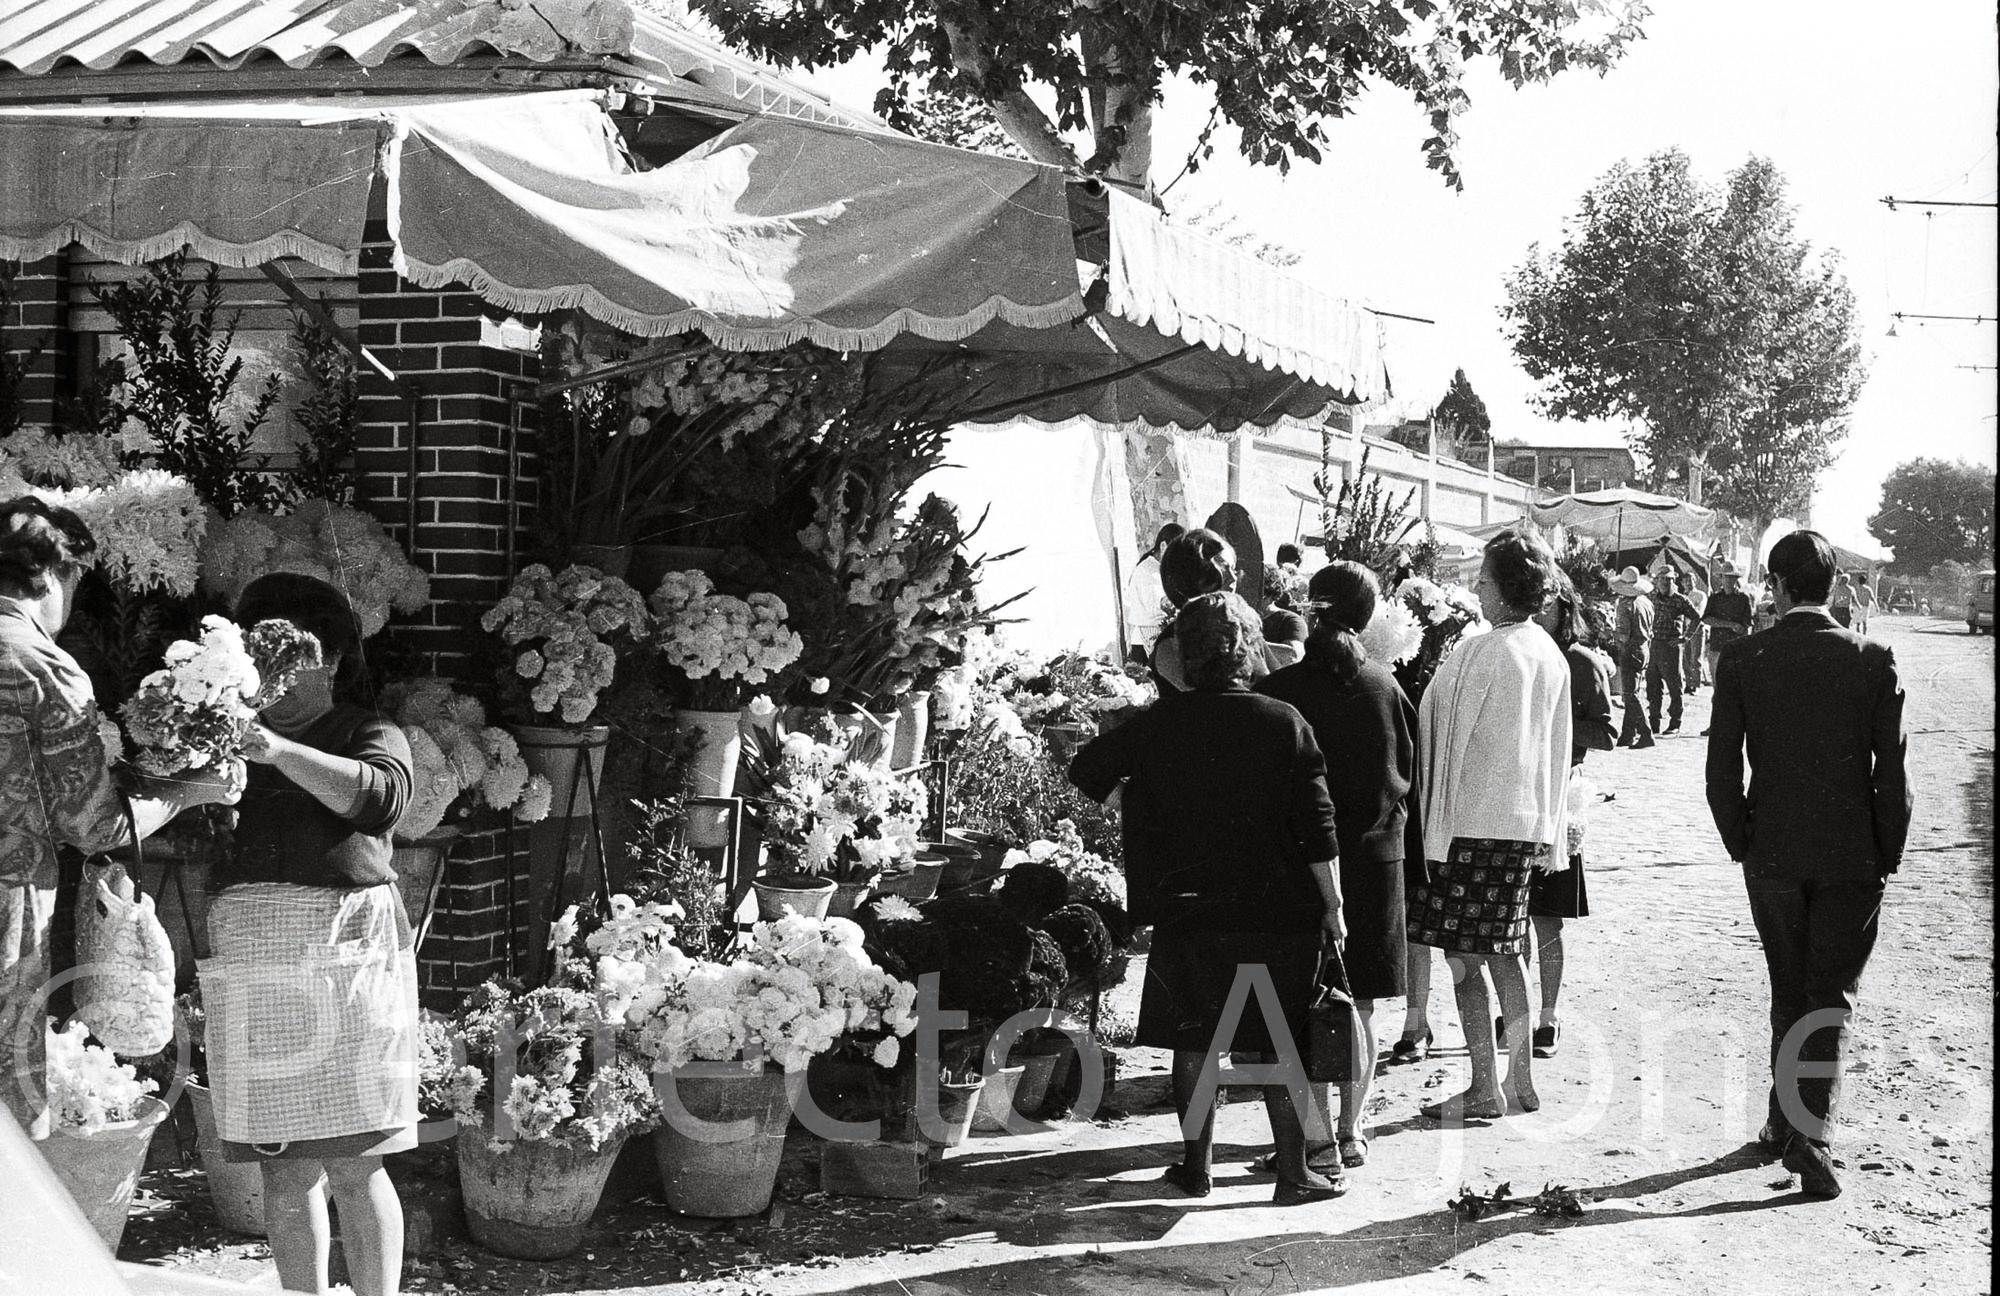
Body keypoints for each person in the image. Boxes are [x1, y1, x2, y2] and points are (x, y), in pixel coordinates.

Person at [1069, 592, 1348, 1205]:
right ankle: (1295, 1174)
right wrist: (1333, 905)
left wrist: (1137, 805)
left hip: (1189, 909)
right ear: (1249, 651)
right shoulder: (1284, 721)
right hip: (1278, 911)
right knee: (1282, 1039)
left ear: (1187, 658)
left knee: (1195, 1037)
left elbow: (1086, 769)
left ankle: (1196, 1168)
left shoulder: (1157, 724)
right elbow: (1318, 827)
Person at [0, 498, 242, 1139]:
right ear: (50, 575)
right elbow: (94, 825)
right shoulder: (40, 664)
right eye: (74, 582)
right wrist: (191, 789)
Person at [204, 573, 415, 1296]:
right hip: (255, 959)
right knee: (284, 1165)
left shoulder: (366, 730)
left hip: (346, 955)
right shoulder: (221, 740)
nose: (279, 677)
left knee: (359, 1162)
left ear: (331, 661)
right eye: (263, 661)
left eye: (298, 657)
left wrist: (275, 750)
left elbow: (382, 800)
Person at [1705, 530, 1910, 1199]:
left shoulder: (1743, 659)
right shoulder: (1875, 659)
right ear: (1833, 588)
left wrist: (1743, 842)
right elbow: (1893, 778)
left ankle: (1786, 1123)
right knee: (1830, 996)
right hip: (1853, 857)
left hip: (1774, 856)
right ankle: (1810, 1135)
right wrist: (1887, 852)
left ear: (1777, 586)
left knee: (1789, 987)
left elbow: (1720, 774)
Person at [1259, 561, 1420, 1169]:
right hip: (1379, 859)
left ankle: (1319, 1139)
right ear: (1370, 615)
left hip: (1302, 866)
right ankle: (1351, 1132)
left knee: (1307, 1004)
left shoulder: (1280, 693)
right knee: (1362, 1004)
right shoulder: (1388, 687)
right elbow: (1410, 777)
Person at [1408, 530, 1572, 1121]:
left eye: (1484, 578)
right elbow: (1558, 749)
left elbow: (1431, 727)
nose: (1476, 587)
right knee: (1506, 952)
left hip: (1468, 827)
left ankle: (1485, 1085)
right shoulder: (1549, 653)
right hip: (1522, 826)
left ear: (1506, 589)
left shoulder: (1481, 650)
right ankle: (1520, 1079)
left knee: (1464, 958)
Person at [1521, 579, 1616, 1057]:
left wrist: (1551, 724)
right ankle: (1515, 1012)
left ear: (1564, 607)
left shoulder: (1580, 660)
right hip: (1514, 794)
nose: (1539, 611)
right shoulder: (1516, 649)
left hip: (1559, 798)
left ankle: (1548, 1017)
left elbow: (1608, 732)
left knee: (1546, 918)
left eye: (1548, 604)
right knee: (1510, 917)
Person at [1150, 528, 1247, 695]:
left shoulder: (1239, 629)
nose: (1233, 578)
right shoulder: (1172, 644)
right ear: (1192, 577)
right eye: (1223, 567)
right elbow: (1215, 703)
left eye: (1233, 568)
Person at [1647, 568, 1700, 735]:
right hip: (1653, 645)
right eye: (1661, 579)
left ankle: (1675, 721)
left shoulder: (1680, 600)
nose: (1664, 583)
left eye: (1668, 580)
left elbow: (1697, 617)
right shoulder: (1651, 598)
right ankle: (1654, 721)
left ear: (1673, 581)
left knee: (1674, 685)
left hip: (1670, 647)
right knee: (1653, 685)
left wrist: (1685, 637)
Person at [1609, 566, 1656, 748]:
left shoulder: (1625, 606)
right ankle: (1627, 734)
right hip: (1644, 649)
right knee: (1633, 692)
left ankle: (1645, 732)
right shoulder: (1645, 602)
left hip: (1630, 650)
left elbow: (1623, 635)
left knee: (1630, 695)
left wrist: (1609, 633)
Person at [1123, 523, 1184, 658]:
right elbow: (1157, 608)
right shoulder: (1147, 571)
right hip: (1145, 643)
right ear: (1163, 546)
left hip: (1160, 639)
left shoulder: (1160, 569)